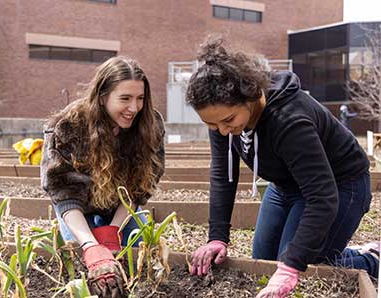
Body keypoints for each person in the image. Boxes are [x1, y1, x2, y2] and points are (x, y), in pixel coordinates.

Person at [185, 37, 378, 298]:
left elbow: (322, 197)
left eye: (228, 120)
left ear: (251, 95)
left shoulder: (289, 121)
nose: (222, 131)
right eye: (212, 125)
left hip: (342, 184)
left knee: (306, 263)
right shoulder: (223, 119)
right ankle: (334, 251)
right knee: (264, 261)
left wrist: (291, 266)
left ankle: (372, 260)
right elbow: (223, 175)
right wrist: (217, 237)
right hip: (286, 185)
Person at [40, 56, 165, 298]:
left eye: (140, 98)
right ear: (102, 96)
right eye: (125, 99)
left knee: (130, 256)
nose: (134, 108)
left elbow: (139, 190)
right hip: (77, 208)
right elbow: (63, 193)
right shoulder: (69, 126)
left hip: (120, 207)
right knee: (81, 260)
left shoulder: (150, 125)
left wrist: (112, 234)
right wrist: (90, 245)